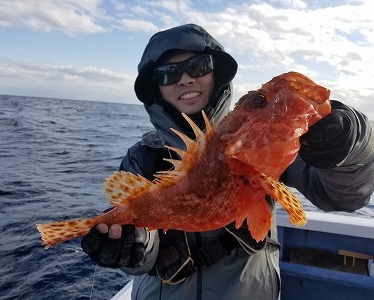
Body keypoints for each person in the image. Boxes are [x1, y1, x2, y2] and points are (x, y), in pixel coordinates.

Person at [81, 24, 374, 299]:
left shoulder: (264, 143)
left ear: (215, 74)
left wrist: (354, 145)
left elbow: (344, 197)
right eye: (168, 73)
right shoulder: (142, 155)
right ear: (155, 87)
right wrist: (131, 246)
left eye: (197, 66)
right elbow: (142, 253)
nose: (185, 78)